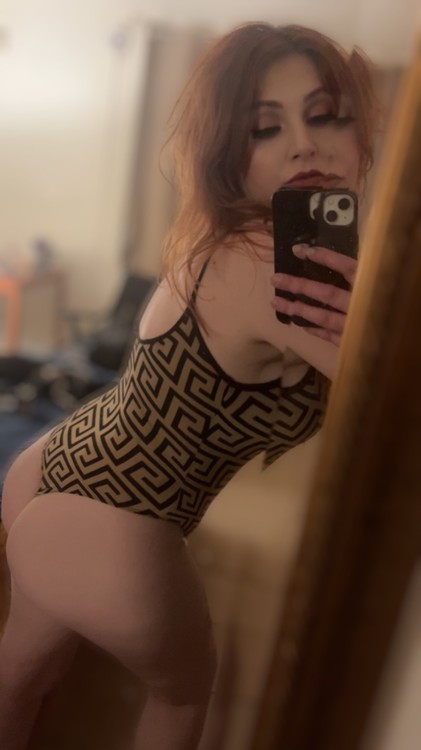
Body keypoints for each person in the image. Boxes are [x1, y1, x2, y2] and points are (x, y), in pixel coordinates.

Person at [0, 21, 378, 750]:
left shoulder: (223, 237)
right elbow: (392, 398)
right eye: (266, 127)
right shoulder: (273, 264)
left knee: (25, 669)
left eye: (326, 114)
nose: (304, 143)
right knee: (181, 696)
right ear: (227, 152)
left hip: (54, 465)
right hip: (116, 515)